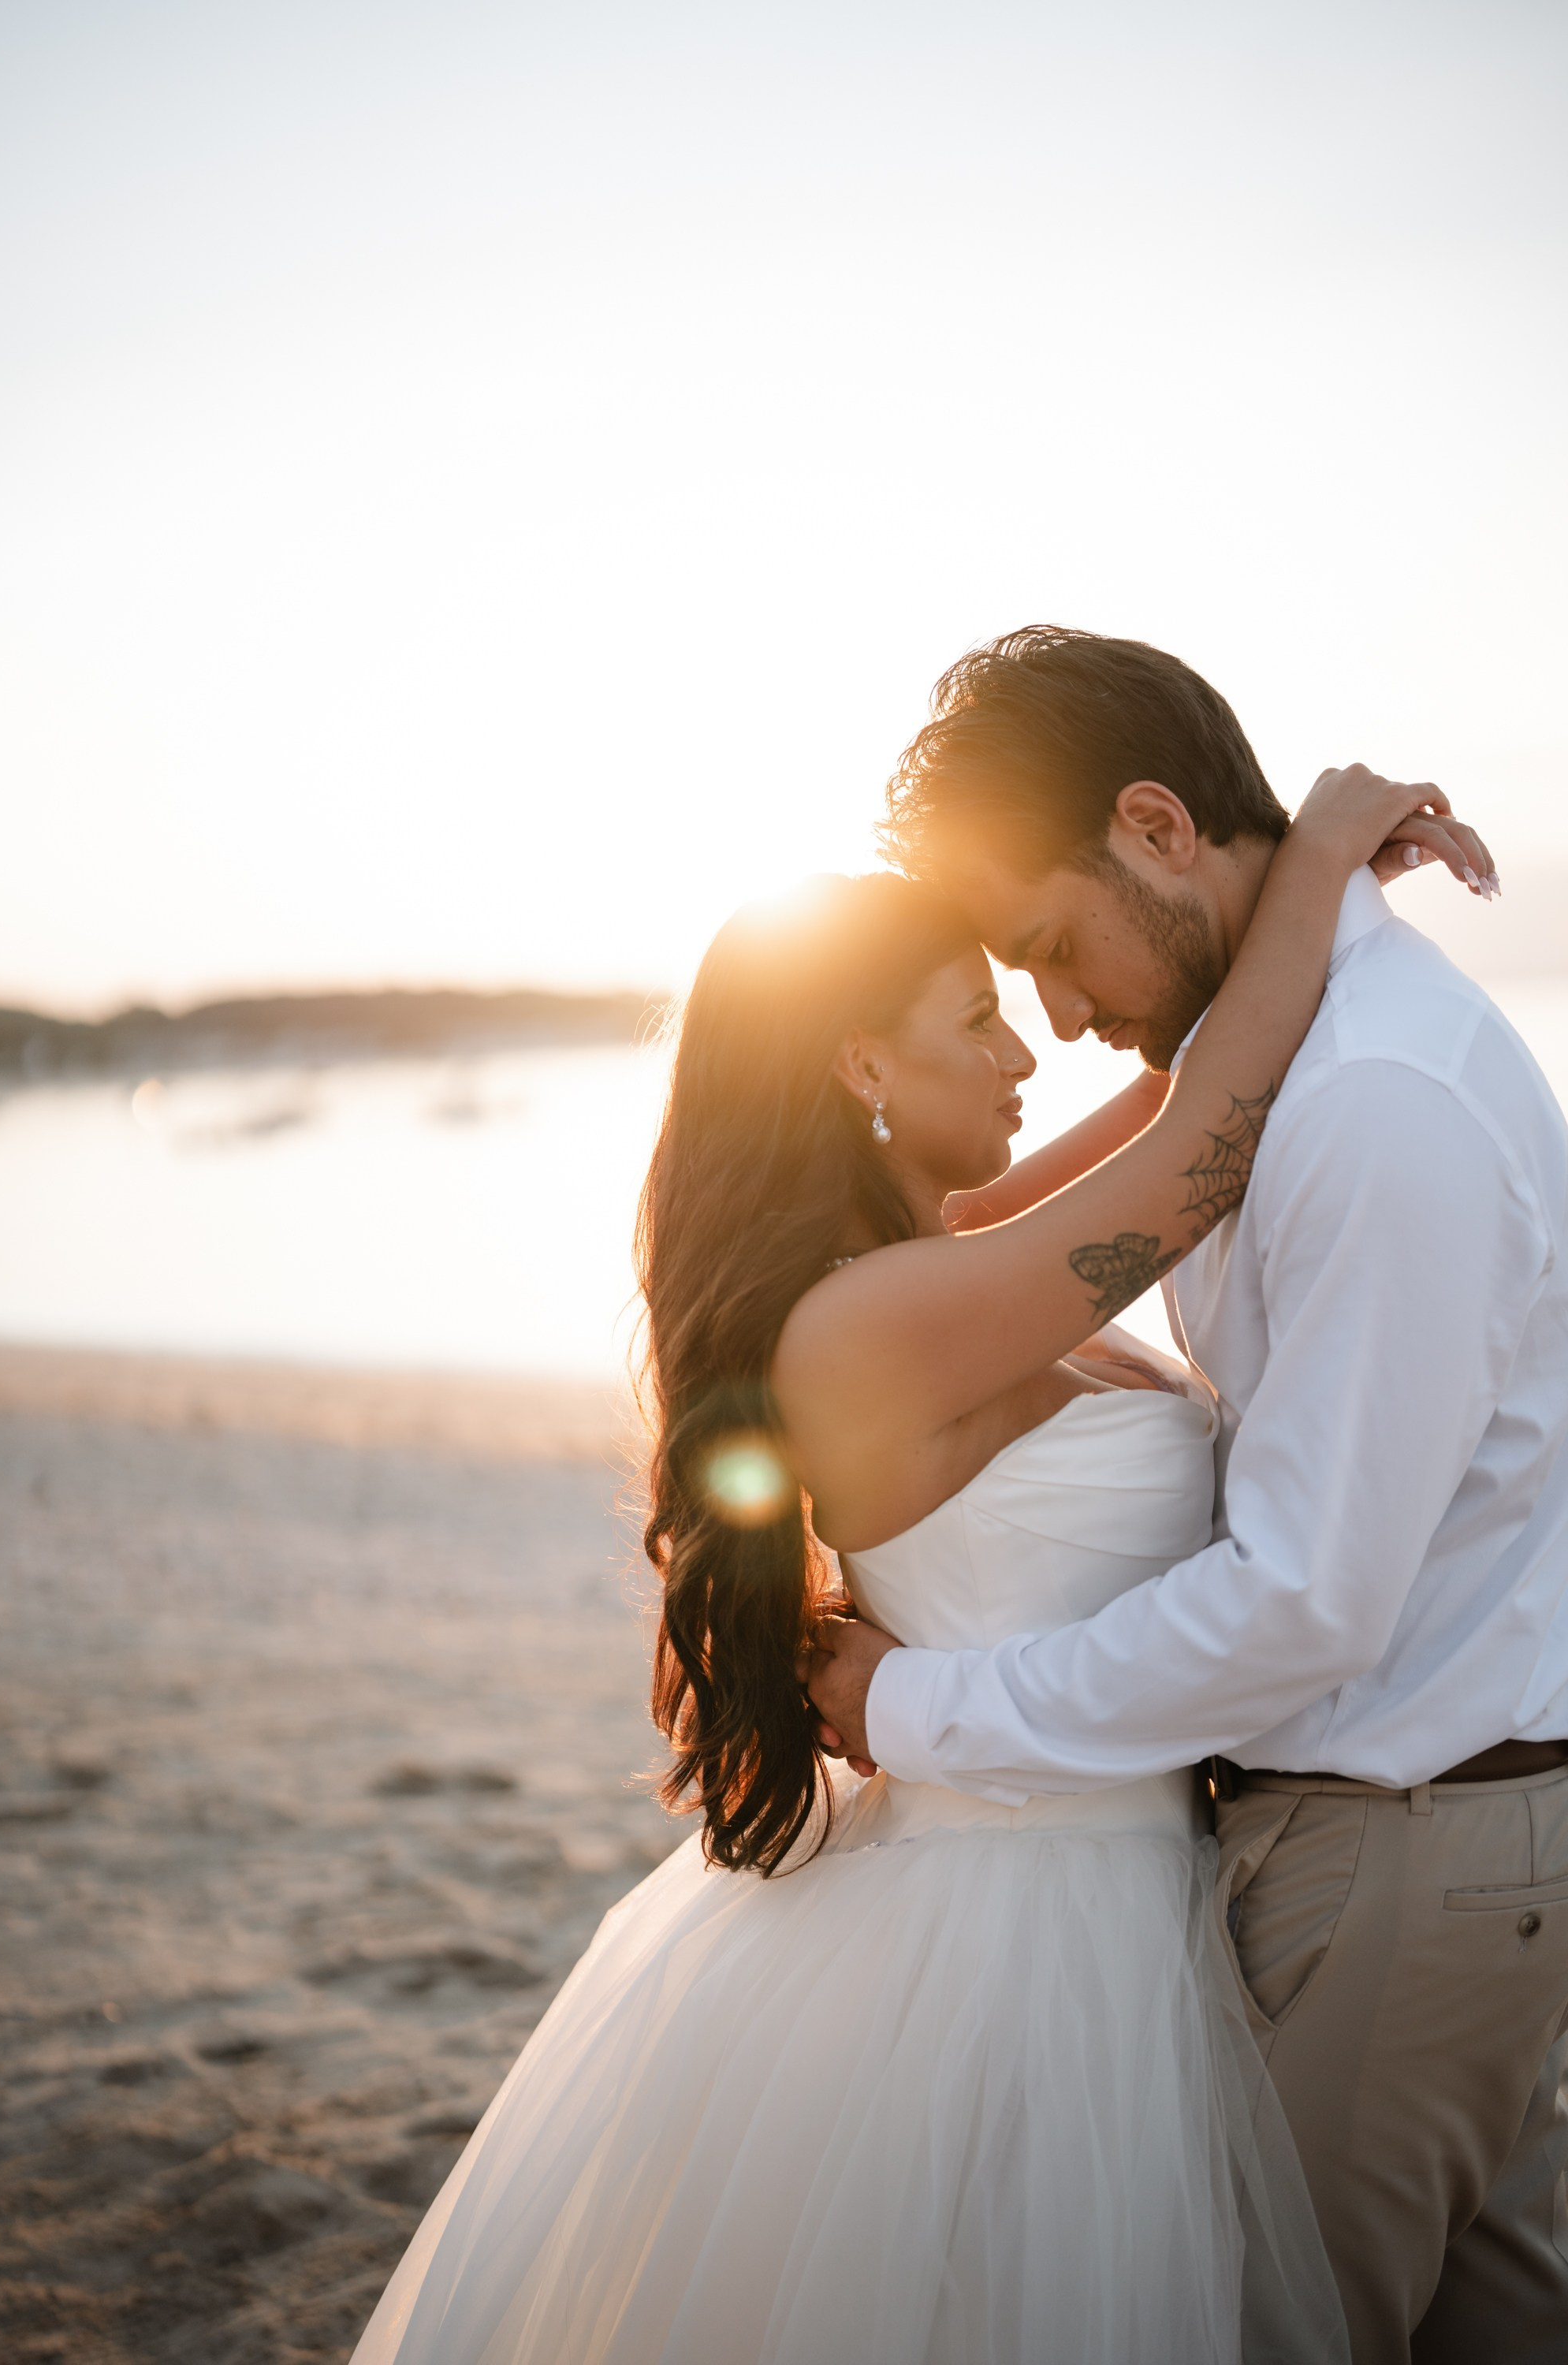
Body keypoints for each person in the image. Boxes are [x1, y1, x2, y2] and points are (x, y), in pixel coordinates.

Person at [349, 763, 1463, 2365]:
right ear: (860, 1058)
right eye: (975, 1023)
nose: (1028, 1050)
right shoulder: (873, 1322)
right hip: (1033, 1928)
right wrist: (1324, 849)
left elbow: (1180, 1092)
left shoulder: (942, 1257)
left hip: (1107, 1869)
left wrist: (1306, 914)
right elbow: (1205, 1144)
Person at [806, 626, 1568, 2365]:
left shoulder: (1371, 1104)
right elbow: (1159, 1142)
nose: (1057, 1018)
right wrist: (1308, 864)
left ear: (1155, 827)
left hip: (1403, 1854)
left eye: (1047, 950)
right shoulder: (1287, 1059)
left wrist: (918, 1704)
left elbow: (1303, 1601)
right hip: (1432, 1848)